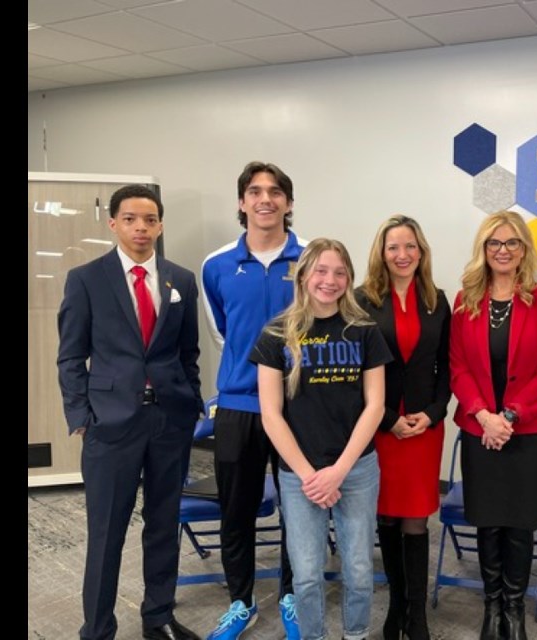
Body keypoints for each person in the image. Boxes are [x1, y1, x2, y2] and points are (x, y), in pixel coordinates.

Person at [57, 184, 203, 640]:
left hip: (168, 422)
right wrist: (81, 415)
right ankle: (97, 627)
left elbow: (188, 352)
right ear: (114, 223)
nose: (141, 228)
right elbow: (70, 356)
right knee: (107, 533)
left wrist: (189, 400)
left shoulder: (180, 278)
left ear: (160, 225)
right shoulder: (86, 279)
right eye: (131, 219)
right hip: (110, 424)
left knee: (163, 524)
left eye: (150, 220)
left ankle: (157, 616)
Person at [252, 238, 392, 640]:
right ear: (303, 275)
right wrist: (311, 475)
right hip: (300, 477)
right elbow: (271, 414)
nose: (330, 281)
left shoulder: (363, 331)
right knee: (308, 575)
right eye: (321, 271)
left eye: (340, 272)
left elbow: (375, 406)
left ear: (349, 279)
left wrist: (339, 472)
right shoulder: (277, 334)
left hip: (357, 469)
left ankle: (356, 634)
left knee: (360, 571)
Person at [449, 210, 537, 640]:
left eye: (511, 243)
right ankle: (491, 606)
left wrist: (510, 416)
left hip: (529, 431)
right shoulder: (465, 299)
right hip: (481, 431)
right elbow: (457, 365)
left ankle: (514, 608)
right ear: (484, 249)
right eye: (494, 243)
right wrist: (483, 415)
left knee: (519, 523)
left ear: (524, 250)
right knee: (488, 521)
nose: (503, 250)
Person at [200, 161, 304, 639]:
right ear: (242, 202)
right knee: (236, 510)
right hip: (240, 405)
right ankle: (241, 601)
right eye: (255, 191)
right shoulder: (217, 264)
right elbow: (224, 334)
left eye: (275, 191)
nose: (266, 199)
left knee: (299, 509)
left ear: (287, 201)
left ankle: (291, 593)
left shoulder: (310, 259)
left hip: (300, 404)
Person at [356, 216, 452, 640]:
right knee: (388, 518)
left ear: (421, 251)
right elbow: (355, 368)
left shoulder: (438, 300)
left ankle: (418, 615)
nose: (402, 254)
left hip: (425, 427)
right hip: (380, 425)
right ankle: (396, 606)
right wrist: (390, 419)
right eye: (393, 247)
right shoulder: (360, 300)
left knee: (416, 519)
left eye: (410, 246)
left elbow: (448, 366)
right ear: (382, 252)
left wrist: (433, 412)